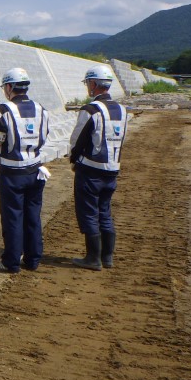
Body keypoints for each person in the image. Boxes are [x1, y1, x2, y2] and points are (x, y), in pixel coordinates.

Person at [0, 68, 50, 273]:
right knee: (33, 216)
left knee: (13, 217)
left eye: (5, 87)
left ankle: (11, 262)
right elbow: (44, 135)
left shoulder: (3, 111)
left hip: (12, 173)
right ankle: (33, 259)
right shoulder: (41, 109)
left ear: (10, 87)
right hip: (35, 170)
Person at [69, 64, 127, 270]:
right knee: (105, 211)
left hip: (90, 170)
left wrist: (74, 160)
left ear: (93, 84)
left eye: (88, 83)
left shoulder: (91, 110)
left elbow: (77, 140)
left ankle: (93, 258)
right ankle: (107, 257)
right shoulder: (121, 110)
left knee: (89, 212)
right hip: (112, 169)